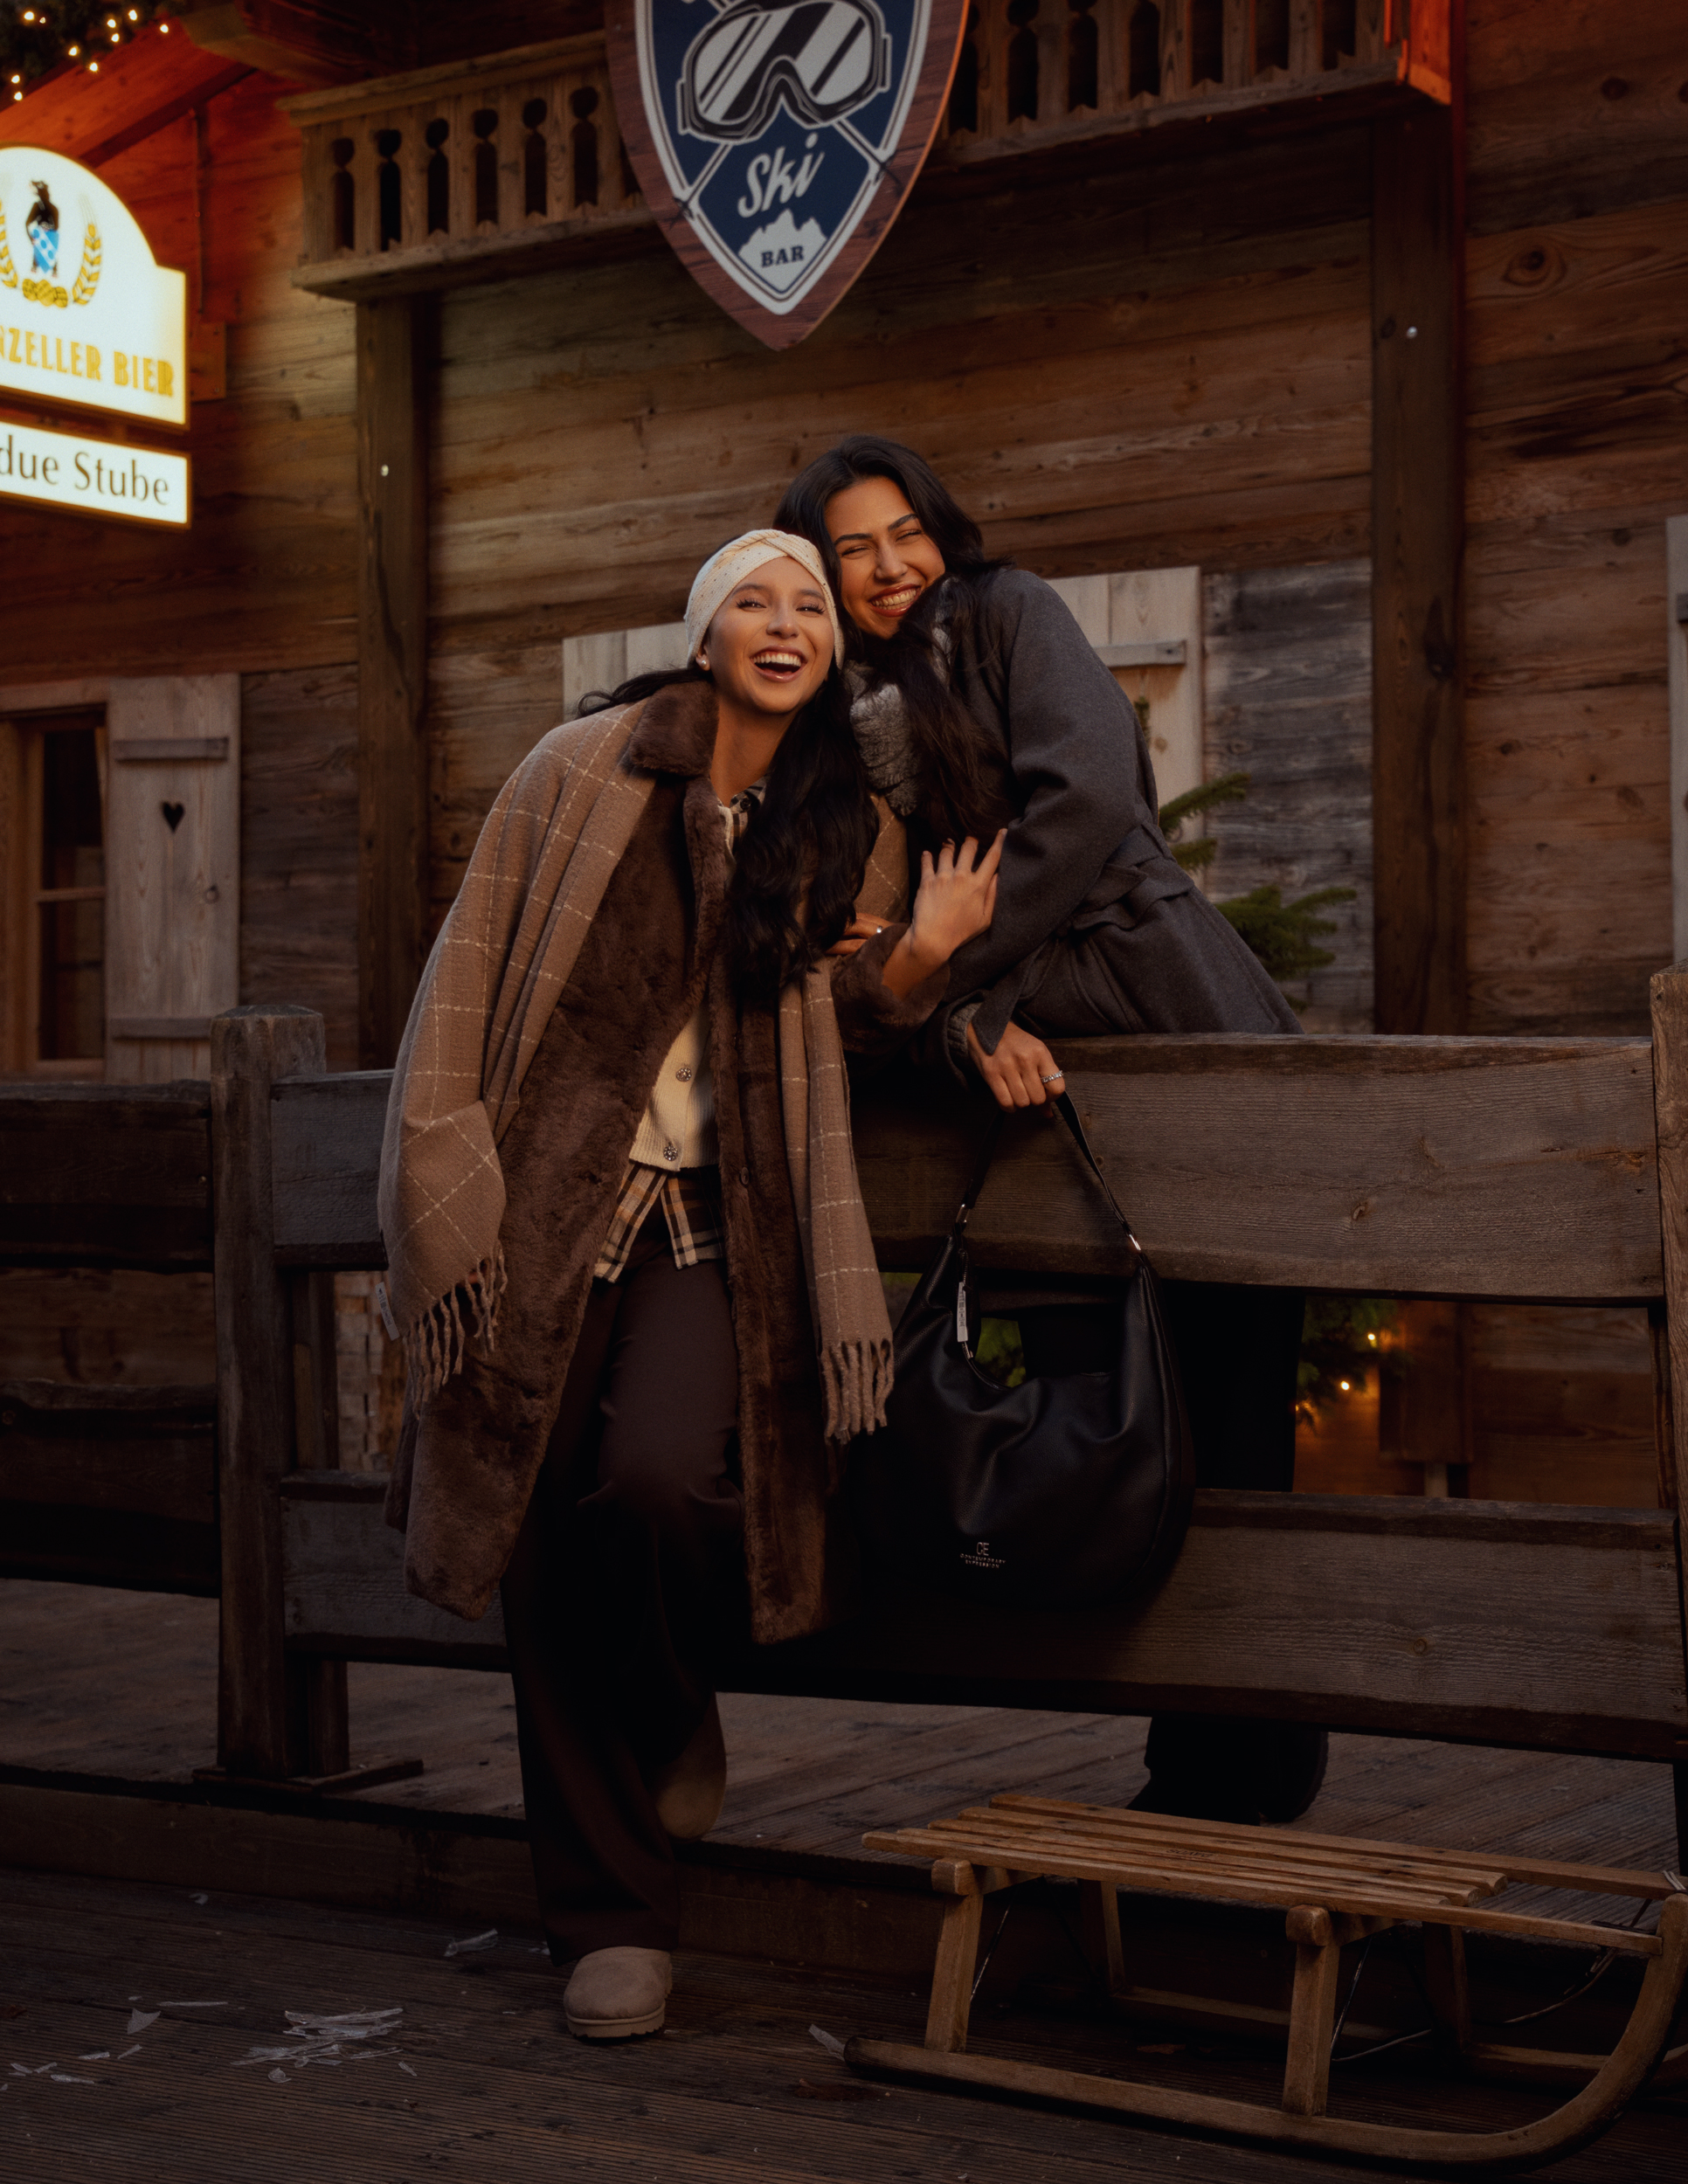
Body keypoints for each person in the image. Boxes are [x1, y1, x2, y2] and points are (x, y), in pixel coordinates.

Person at [377, 529, 1001, 2041]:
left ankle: (668, 1704)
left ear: (829, 653)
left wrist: (924, 964)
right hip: (547, 1206)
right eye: (754, 602)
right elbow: (471, 965)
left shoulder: (845, 821)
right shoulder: (581, 771)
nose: (786, 623)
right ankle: (611, 1924)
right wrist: (446, 1167)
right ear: (705, 635)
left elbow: (842, 1020)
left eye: (809, 607)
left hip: (723, 1222)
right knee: (536, 1530)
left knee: (663, 1482)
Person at [774, 439, 1327, 1827]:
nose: (890, 566)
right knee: (1115, 1427)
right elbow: (858, 951)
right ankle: (1184, 1759)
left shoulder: (1008, 613)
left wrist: (943, 970)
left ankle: (1254, 1764)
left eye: (906, 531)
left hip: (1153, 994)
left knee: (1233, 1407)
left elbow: (1083, 804)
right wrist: (948, 1013)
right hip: (1037, 1069)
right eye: (853, 548)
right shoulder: (833, 718)